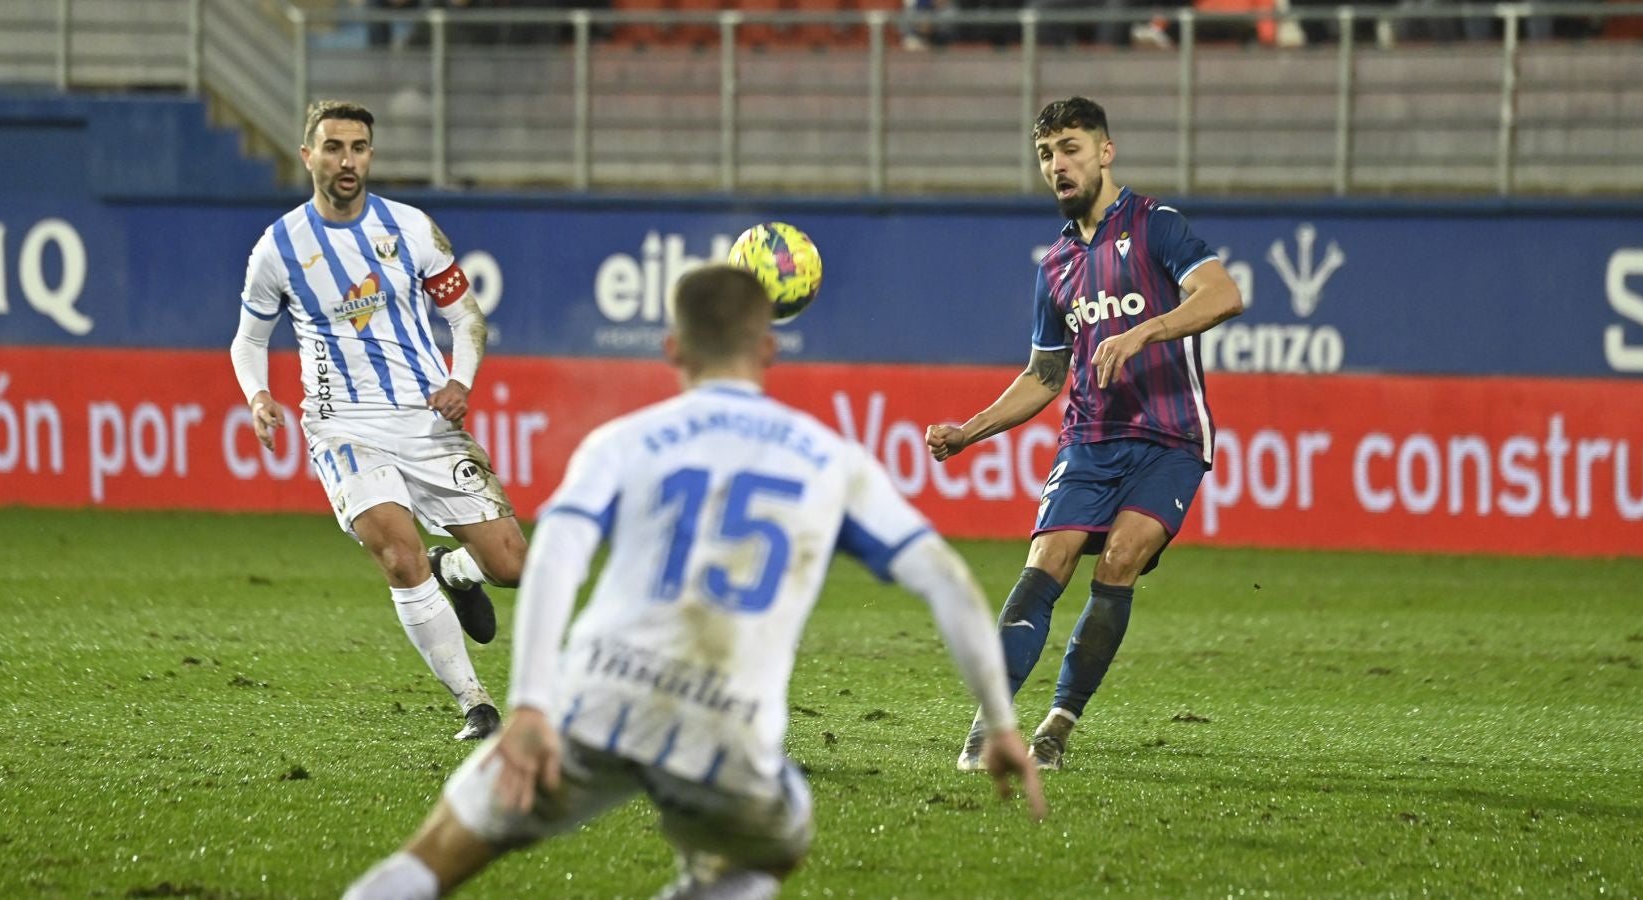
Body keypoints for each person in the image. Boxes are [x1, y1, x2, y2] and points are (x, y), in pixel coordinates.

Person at [343, 264, 1046, 900]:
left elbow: (554, 554)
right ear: (769, 349)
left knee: (435, 858)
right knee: (778, 844)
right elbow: (947, 581)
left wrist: (528, 706)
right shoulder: (831, 461)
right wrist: (1001, 722)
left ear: (672, 349)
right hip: (729, 731)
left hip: (595, 701)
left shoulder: (621, 442)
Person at [927, 96, 1244, 773]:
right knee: (1046, 562)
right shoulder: (1056, 267)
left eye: (1070, 148)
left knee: (1119, 560)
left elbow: (1222, 294)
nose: (1056, 164)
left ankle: (1056, 727)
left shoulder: (1156, 225)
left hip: (1169, 439)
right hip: (1090, 438)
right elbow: (1044, 377)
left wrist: (1144, 330)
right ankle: (988, 724)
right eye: (1045, 154)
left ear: (1105, 151)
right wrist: (970, 431)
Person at [229, 99, 525, 741]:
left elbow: (466, 317)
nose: (346, 160)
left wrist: (461, 380)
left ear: (370, 155)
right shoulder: (278, 249)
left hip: (425, 419)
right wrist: (257, 394)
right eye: (333, 147)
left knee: (513, 566)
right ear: (308, 157)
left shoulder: (413, 229)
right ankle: (475, 702)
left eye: (358, 147)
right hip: (343, 427)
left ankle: (461, 569)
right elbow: (248, 341)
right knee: (396, 552)